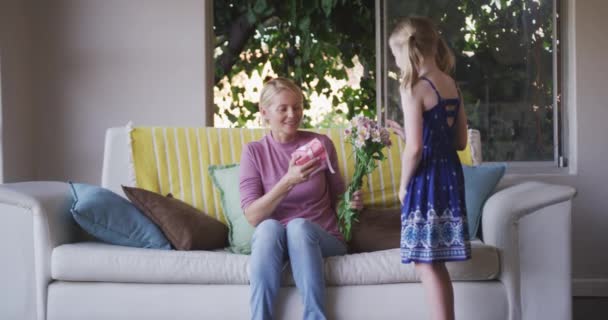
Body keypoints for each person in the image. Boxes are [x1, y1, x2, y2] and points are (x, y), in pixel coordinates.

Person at [239, 77, 363, 320]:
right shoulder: (254, 152)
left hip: (320, 238)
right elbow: (252, 216)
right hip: (274, 242)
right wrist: (288, 181)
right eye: (282, 108)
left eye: (297, 107)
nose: (292, 114)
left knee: (298, 227)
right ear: (264, 112)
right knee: (267, 229)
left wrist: (351, 203)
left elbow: (339, 197)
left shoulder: (320, 145)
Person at [389, 17, 471, 320]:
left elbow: (414, 150)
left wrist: (402, 186)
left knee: (425, 262)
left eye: (395, 56)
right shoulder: (451, 84)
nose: (396, 63)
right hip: (449, 174)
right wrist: (411, 135)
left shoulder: (413, 87)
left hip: (426, 179)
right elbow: (460, 141)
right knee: (435, 261)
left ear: (407, 52)